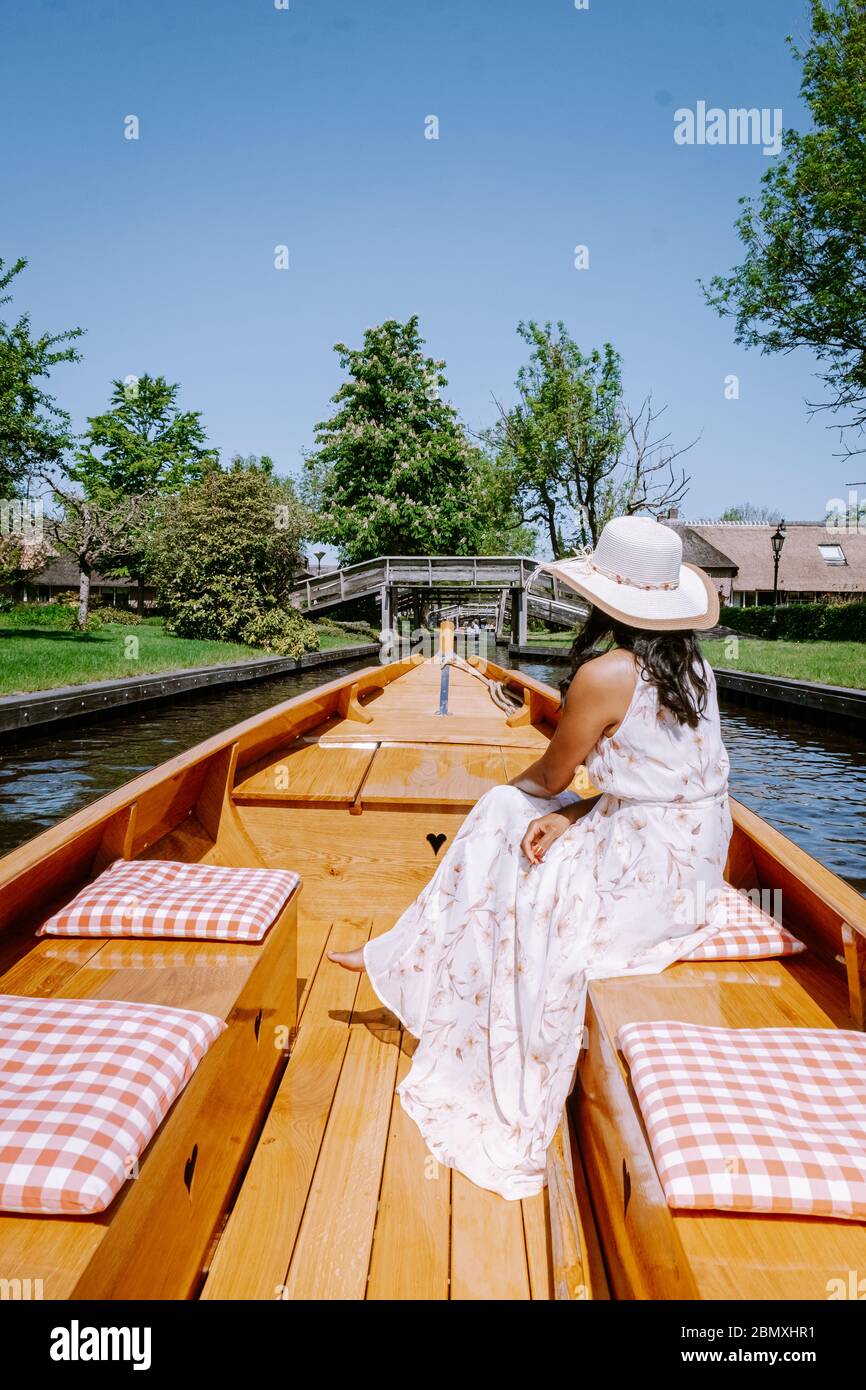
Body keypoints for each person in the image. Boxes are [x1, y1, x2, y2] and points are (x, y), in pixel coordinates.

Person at [329, 516, 732, 1200]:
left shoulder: (605, 673)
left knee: (499, 813)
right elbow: (648, 786)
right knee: (517, 823)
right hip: (691, 863)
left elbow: (548, 778)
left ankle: (403, 958)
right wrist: (575, 818)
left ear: (603, 598)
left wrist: (508, 802)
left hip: (641, 868)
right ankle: (404, 954)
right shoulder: (693, 669)